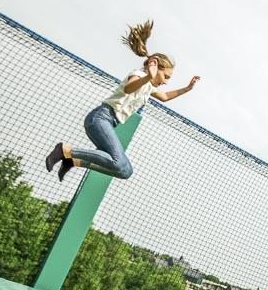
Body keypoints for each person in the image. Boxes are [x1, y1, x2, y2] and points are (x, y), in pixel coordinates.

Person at [45, 21, 200, 181]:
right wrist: (148, 76)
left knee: (125, 171)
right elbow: (128, 88)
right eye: (165, 76)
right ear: (154, 67)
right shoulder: (140, 75)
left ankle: (73, 161)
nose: (166, 82)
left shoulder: (149, 86)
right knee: (118, 161)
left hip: (109, 123)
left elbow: (165, 97)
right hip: (100, 118)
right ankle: (64, 150)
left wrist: (187, 88)